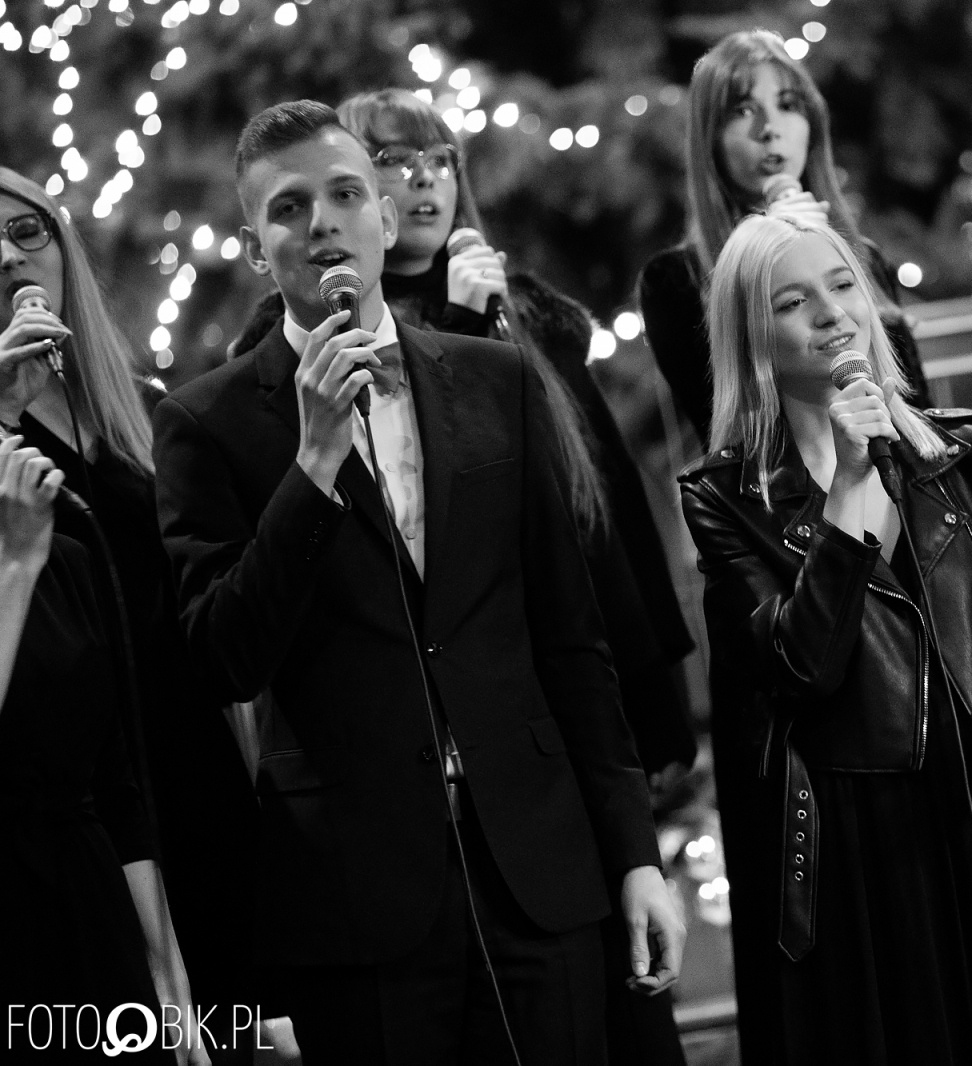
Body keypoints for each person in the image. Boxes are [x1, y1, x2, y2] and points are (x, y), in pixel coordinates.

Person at [152, 101, 684, 1064]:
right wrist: (311, 468)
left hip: (539, 873)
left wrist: (637, 856)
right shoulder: (206, 424)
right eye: (288, 207)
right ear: (255, 241)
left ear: (386, 220)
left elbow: (572, 641)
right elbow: (223, 657)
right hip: (359, 903)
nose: (321, 222)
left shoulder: (498, 379)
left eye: (347, 193)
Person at [679, 212, 972, 1065]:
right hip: (862, 846)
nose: (834, 315)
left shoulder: (967, 452)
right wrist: (848, 490)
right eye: (794, 302)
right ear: (753, 334)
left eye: (843, 286)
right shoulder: (725, 499)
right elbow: (798, 667)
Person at [329, 86, 693, 1065]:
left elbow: (600, 511)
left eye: (437, 162)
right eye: (394, 166)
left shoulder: (524, 309)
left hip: (582, 689)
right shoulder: (344, 347)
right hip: (482, 722)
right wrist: (455, 328)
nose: (422, 184)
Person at [0, 166, 260, 1058]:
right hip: (79, 809)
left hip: (193, 770)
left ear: (64, 250)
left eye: (27, 232)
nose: (7, 254)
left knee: (244, 1020)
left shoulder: (143, 413)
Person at [0, 432, 206, 1058]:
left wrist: (170, 977)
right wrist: (14, 568)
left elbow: (114, 787)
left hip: (91, 906)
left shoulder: (65, 559)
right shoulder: (27, 558)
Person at [640, 28, 927, 448]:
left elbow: (916, 409)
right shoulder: (674, 281)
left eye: (788, 105)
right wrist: (761, 254)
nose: (770, 128)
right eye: (741, 110)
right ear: (710, 140)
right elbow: (730, 437)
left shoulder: (864, 259)